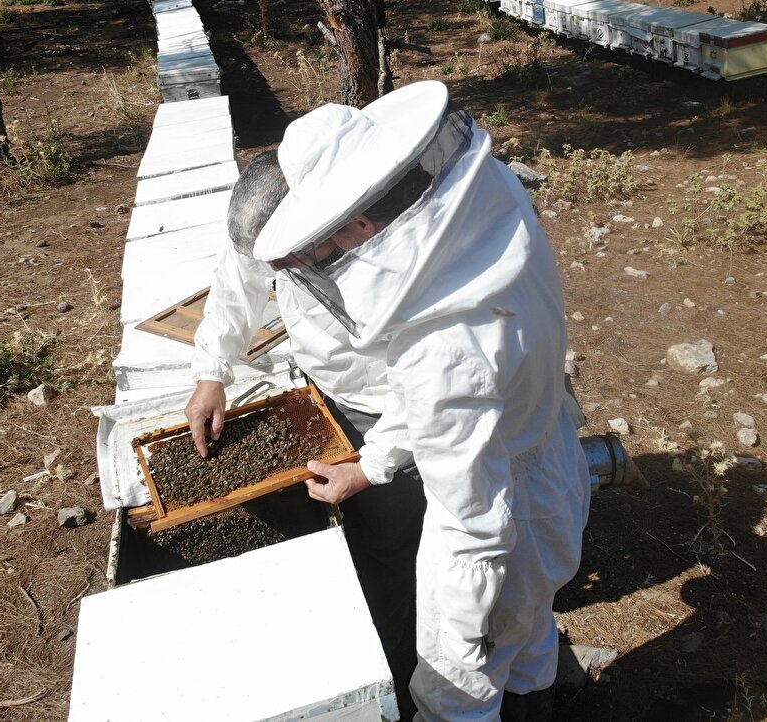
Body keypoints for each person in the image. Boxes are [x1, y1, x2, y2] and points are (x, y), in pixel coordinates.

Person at [251, 80, 590, 721]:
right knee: (528, 638)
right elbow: (452, 393)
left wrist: (456, 646)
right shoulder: (489, 208)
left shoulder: (442, 346)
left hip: (497, 520)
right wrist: (371, 467)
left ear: (359, 219)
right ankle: (538, 700)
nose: (328, 260)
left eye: (326, 246)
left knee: (458, 694)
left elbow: (472, 533)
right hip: (545, 465)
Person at [186, 151, 427, 719]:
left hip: (399, 415)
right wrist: (211, 372)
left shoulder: (393, 248)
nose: (285, 265)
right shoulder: (270, 230)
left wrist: (371, 466)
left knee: (395, 550)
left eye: (295, 254)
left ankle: (399, 677)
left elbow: (436, 386)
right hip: (328, 399)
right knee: (349, 540)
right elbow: (236, 282)